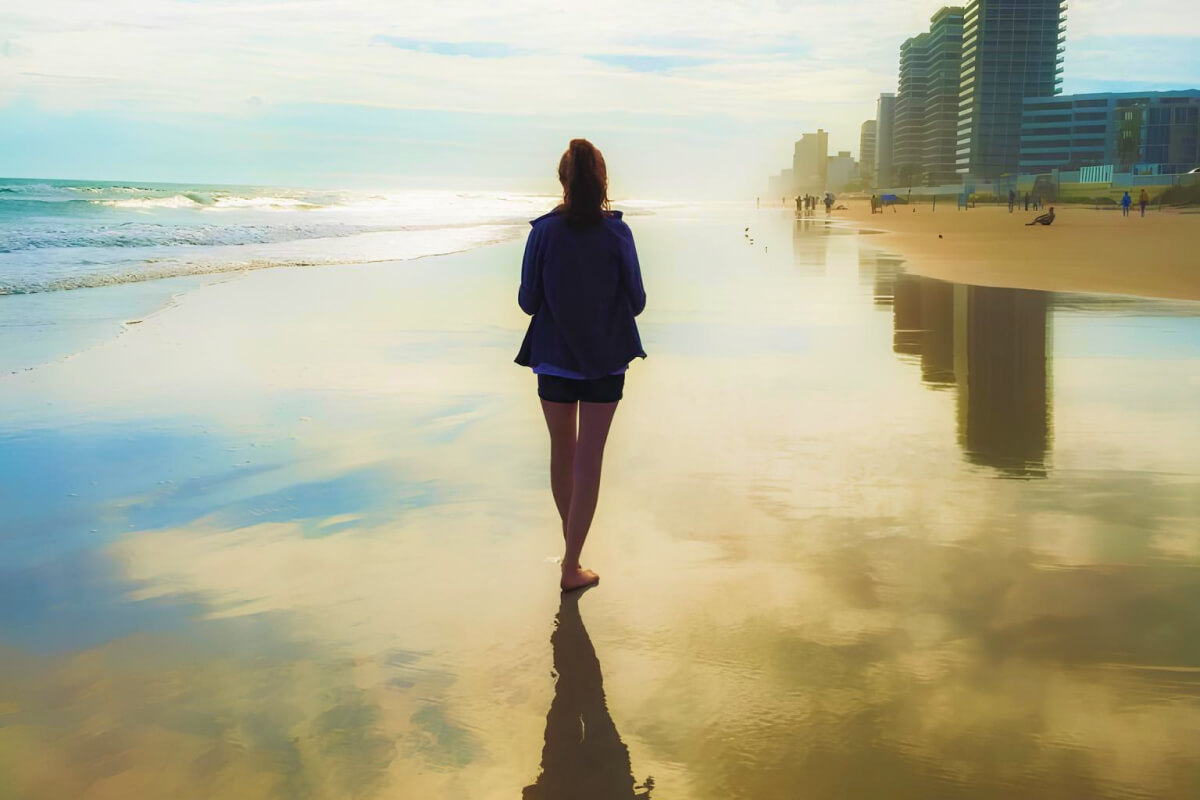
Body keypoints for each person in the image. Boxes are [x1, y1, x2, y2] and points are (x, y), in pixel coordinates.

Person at [515, 138, 647, 593]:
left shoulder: (544, 232)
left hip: (554, 356)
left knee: (562, 452)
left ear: (563, 180)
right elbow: (638, 301)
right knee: (589, 459)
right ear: (602, 180)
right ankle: (571, 562)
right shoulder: (618, 233)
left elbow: (527, 301)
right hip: (607, 358)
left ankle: (572, 556)